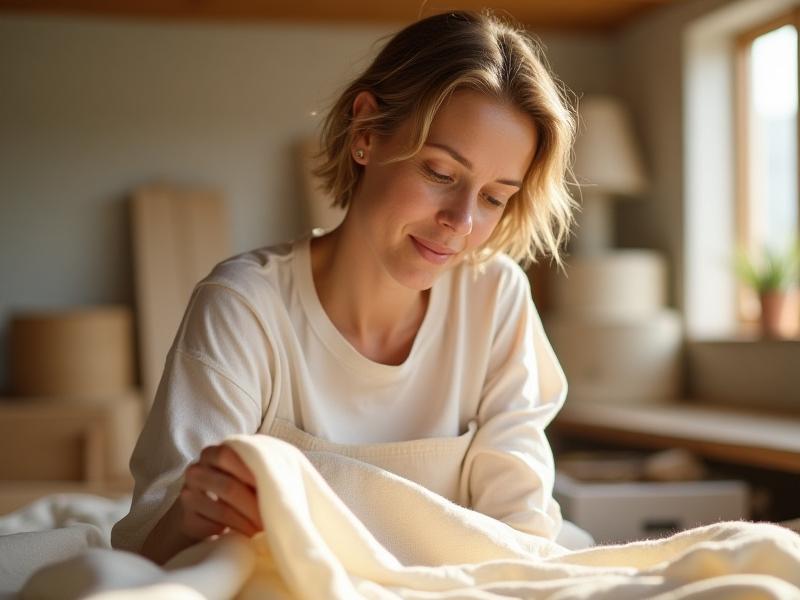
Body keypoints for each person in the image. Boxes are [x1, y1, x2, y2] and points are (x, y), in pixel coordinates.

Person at [111, 9, 579, 565]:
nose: (462, 221)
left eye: (494, 197)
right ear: (366, 133)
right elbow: (148, 546)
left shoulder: (495, 300)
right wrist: (193, 515)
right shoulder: (244, 308)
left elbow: (520, 535)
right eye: (439, 173)